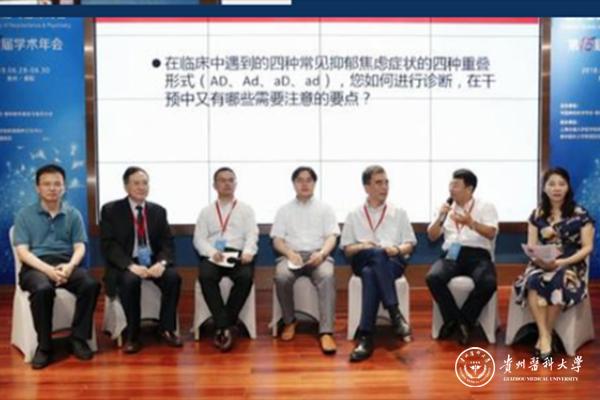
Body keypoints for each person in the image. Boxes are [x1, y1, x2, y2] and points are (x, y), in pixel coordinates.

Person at [13, 164, 100, 369]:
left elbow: (80, 247)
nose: (52, 188)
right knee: (43, 289)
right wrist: (48, 270)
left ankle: (78, 338)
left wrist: (69, 266)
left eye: (57, 184)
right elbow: (23, 252)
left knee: (91, 285)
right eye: (47, 184)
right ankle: (44, 346)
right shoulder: (25, 215)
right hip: (35, 266)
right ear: (38, 188)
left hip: (65, 264)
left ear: (64, 187)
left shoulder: (73, 214)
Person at [514, 167, 595, 360]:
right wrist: (540, 261)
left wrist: (561, 262)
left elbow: (587, 248)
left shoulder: (580, 214)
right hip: (542, 263)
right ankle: (546, 336)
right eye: (551, 184)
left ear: (568, 187)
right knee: (533, 281)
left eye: (561, 184)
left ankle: (544, 338)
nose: (556, 188)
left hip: (571, 263)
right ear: (544, 188)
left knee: (558, 280)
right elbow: (532, 246)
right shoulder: (537, 215)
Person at [100, 166, 182, 354]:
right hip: (126, 262)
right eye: (136, 183)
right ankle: (132, 335)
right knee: (130, 281)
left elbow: (167, 243)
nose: (141, 187)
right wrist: (130, 265)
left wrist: (161, 263)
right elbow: (109, 245)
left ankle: (167, 328)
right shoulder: (111, 210)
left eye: (145, 183)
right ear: (126, 186)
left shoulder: (158, 211)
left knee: (173, 278)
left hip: (153, 261)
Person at [340, 165, 416, 362]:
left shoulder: (399, 212)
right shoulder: (354, 214)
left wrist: (396, 250)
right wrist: (363, 245)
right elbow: (347, 249)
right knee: (375, 254)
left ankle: (365, 336)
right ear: (367, 187)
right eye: (378, 183)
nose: (384, 187)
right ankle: (394, 312)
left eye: (386, 182)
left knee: (370, 272)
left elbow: (410, 244)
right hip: (362, 257)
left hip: (392, 260)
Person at [425, 168, 498, 346]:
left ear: (469, 188)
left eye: (456, 185)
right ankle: (454, 320)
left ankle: (464, 320)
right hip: (452, 253)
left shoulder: (485, 206)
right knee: (433, 277)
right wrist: (441, 216)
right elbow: (432, 236)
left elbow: (491, 233)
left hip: (477, 254)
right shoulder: (445, 207)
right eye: (450, 185)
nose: (451, 189)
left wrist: (470, 223)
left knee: (488, 283)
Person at [271, 166, 339, 355]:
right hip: (291, 255)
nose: (304, 184)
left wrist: (322, 254)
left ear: (314, 183)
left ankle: (326, 331)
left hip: (318, 255)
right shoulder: (284, 210)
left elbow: (332, 237)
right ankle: (289, 321)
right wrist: (289, 253)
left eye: (309, 180)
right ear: (293, 184)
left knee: (327, 276)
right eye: (300, 180)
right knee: (281, 276)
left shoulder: (325, 209)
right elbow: (277, 240)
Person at [193, 167, 258, 352]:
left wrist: (248, 252)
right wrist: (211, 252)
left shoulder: (246, 209)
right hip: (214, 254)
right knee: (206, 276)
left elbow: (252, 234)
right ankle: (227, 326)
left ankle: (223, 325)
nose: (227, 184)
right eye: (222, 180)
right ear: (215, 185)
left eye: (231, 180)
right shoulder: (206, 211)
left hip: (238, 254)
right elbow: (198, 238)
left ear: (235, 184)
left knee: (245, 277)